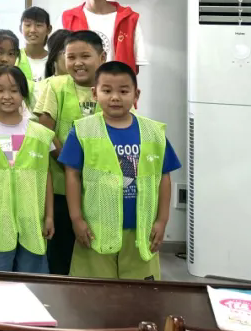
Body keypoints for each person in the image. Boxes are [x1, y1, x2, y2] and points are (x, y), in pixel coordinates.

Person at [59, 61, 180, 279]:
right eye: (107, 91)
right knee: (94, 290)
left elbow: (164, 177)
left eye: (123, 91)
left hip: (141, 228)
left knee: (139, 292)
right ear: (95, 93)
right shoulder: (83, 130)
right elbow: (72, 175)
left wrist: (162, 221)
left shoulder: (153, 132)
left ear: (136, 94)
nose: (115, 97)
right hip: (96, 228)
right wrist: (76, 219)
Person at [0, 66, 55, 273]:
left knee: (33, 279)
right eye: (0, 90)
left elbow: (46, 177)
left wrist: (49, 216)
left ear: (23, 94)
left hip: (32, 219)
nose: (7, 96)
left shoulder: (40, 134)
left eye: (14, 90)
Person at [34, 29, 104, 275]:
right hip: (60, 187)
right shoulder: (54, 86)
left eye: (85, 56)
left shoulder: (109, 86)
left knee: (95, 249)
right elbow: (45, 129)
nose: (77, 63)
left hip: (99, 187)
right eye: (71, 57)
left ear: (102, 58)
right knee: (61, 253)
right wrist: (69, 164)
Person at [62, 0, 147, 71]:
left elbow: (134, 67)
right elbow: (60, 62)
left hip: (117, 81)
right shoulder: (67, 18)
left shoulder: (129, 19)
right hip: (79, 82)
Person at [17, 6, 52, 88]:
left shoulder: (54, 60)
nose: (32, 30)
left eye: (38, 25)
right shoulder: (15, 58)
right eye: (28, 25)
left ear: (48, 29)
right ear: (20, 28)